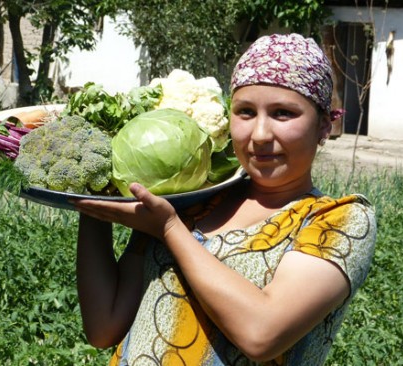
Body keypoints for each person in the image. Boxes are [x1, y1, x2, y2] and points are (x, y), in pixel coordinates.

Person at [73, 33, 377, 365]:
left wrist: (170, 230)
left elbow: (261, 334)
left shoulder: (338, 220)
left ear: (323, 125)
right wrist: (88, 198)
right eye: (245, 112)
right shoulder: (195, 199)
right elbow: (104, 327)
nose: (260, 135)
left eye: (283, 113)